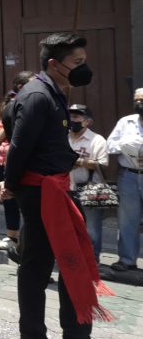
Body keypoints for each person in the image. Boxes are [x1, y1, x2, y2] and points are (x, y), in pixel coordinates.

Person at [0, 32, 127, 339]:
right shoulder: (37, 95)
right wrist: (11, 185)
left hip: (58, 189)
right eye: (77, 63)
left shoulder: (54, 93)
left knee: (75, 264)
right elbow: (19, 147)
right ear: (55, 64)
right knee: (37, 268)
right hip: (41, 192)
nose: (84, 69)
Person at [0, 71, 34, 252]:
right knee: (9, 202)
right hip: (4, 164)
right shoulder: (5, 120)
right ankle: (12, 237)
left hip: (27, 167)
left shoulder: (33, 114)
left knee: (28, 206)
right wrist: (9, 122)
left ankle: (28, 241)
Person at [106, 87, 143, 272]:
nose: (139, 104)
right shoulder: (125, 122)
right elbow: (110, 145)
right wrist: (124, 145)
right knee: (128, 220)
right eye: (137, 100)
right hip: (129, 175)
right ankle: (127, 260)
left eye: (142, 100)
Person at [67, 104, 109, 260]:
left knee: (91, 228)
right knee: (67, 227)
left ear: (87, 121)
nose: (72, 120)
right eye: (70, 116)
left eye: (77, 117)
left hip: (90, 189)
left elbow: (103, 164)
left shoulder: (97, 140)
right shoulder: (62, 137)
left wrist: (78, 161)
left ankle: (92, 259)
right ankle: (71, 259)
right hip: (66, 188)